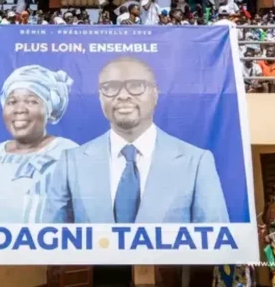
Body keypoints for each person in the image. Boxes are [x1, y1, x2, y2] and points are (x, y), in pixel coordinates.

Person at [43, 56, 228, 224]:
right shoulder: (71, 162)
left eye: (136, 85)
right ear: (100, 97)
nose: (123, 95)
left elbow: (216, 241)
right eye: (110, 87)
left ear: (155, 93)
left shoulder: (196, 162)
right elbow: (52, 240)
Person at [0, 65, 78, 223]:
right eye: (12, 102)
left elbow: (90, 223)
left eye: (32, 101)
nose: (19, 109)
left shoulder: (69, 155)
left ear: (49, 109)